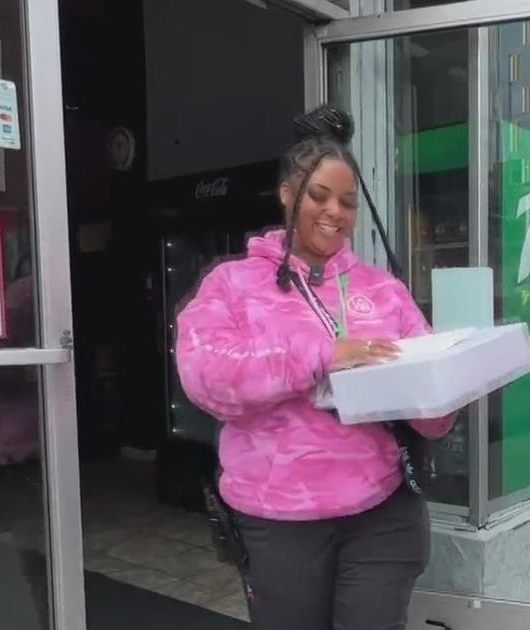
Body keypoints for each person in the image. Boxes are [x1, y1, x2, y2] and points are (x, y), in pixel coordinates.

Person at [175, 105, 454, 630]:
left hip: (380, 511)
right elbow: (204, 376)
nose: (336, 213)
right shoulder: (232, 284)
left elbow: (427, 392)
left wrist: (442, 400)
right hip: (280, 521)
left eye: (348, 202)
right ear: (287, 194)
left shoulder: (382, 289)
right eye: (319, 196)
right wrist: (322, 356)